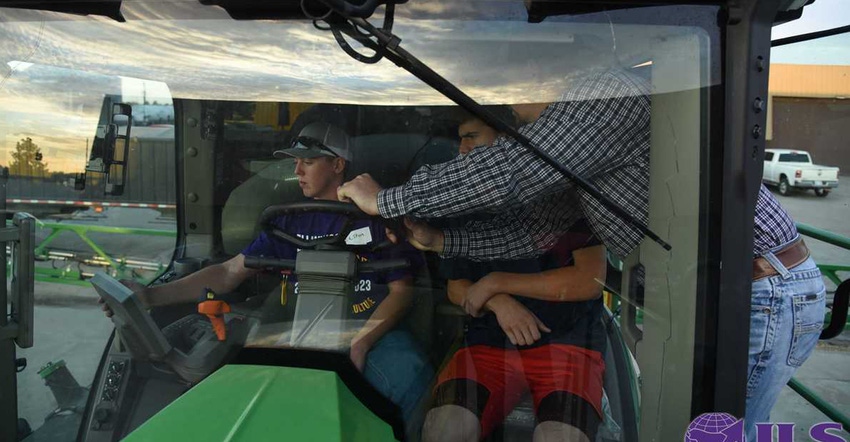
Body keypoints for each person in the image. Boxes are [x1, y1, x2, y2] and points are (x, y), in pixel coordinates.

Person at [339, 66, 826, 437]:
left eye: (502, 91)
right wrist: (440, 241)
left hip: (757, 288)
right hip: (707, 291)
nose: (501, 107)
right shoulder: (573, 147)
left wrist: (386, 199)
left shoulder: (602, 94)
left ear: (536, 75)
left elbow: (513, 172)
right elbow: (534, 234)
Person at [101, 122, 432, 423]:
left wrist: (359, 344)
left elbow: (402, 293)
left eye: (309, 161)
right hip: (298, 333)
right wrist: (147, 295)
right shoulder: (287, 222)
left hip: (367, 332)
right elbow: (228, 273)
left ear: (338, 164)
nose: (297, 169)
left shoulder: (377, 220)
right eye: (295, 161)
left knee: (411, 377)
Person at [420, 112, 608, 442]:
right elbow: (455, 287)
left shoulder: (563, 196)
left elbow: (589, 281)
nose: (461, 147)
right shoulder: (462, 204)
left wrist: (497, 281)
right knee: (442, 430)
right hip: (488, 348)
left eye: (472, 137)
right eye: (460, 138)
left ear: (508, 143)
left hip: (567, 347)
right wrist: (499, 301)